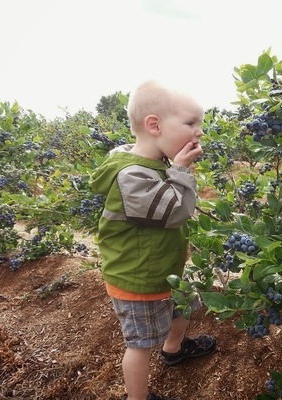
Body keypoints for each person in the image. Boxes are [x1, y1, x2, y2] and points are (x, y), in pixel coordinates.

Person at [90, 80, 216, 400]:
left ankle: (173, 348)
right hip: (139, 279)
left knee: (185, 302)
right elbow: (175, 211)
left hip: (162, 268)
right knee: (141, 345)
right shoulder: (132, 175)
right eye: (190, 123)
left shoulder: (153, 162)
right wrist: (182, 171)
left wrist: (175, 168)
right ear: (154, 125)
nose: (199, 131)